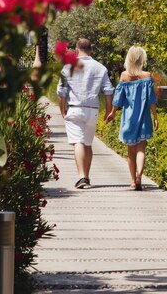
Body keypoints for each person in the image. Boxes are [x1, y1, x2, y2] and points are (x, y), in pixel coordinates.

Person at [57, 38, 114, 189]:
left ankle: (82, 176)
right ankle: (86, 176)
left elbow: (61, 91)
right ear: (91, 49)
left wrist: (62, 108)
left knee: (78, 142)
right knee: (88, 143)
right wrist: (109, 110)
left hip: (75, 108)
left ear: (76, 49)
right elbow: (108, 90)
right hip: (92, 110)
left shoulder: (68, 67)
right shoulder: (100, 67)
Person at [106, 46, 158, 191]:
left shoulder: (124, 76)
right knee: (142, 148)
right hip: (144, 117)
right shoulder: (147, 76)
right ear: (142, 59)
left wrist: (113, 112)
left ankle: (132, 181)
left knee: (131, 151)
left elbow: (117, 98)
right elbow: (151, 100)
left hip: (128, 118)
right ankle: (139, 176)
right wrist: (155, 117)